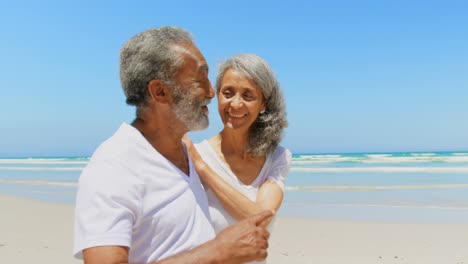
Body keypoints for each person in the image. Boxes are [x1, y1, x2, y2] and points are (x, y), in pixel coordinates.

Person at [73, 27, 273, 264]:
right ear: (160, 92)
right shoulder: (113, 167)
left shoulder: (186, 153)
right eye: (200, 79)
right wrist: (217, 252)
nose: (211, 92)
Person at [184, 54, 291, 263]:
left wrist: (203, 169)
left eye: (248, 95)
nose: (235, 104)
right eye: (228, 93)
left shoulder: (278, 157)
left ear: (263, 104)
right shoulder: (192, 154)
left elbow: (260, 218)